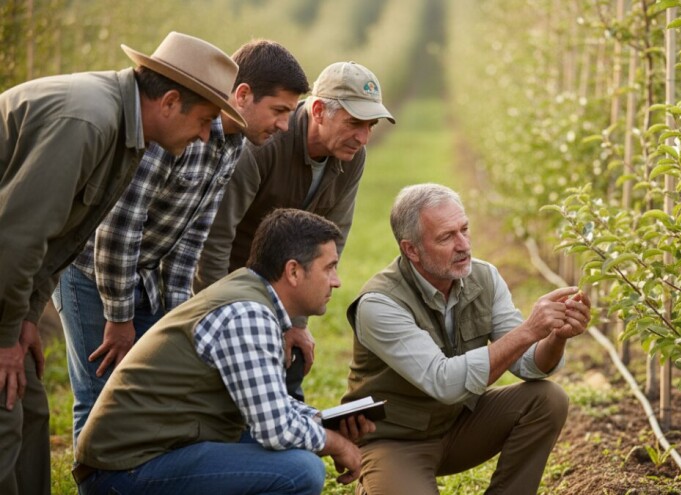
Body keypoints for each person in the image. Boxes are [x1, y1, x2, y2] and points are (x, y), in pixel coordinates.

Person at [0, 31, 243, 495]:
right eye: (205, 119)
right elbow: (18, 238)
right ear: (170, 101)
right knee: (4, 411)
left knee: (29, 404)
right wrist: (4, 334)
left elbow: (61, 239)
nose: (206, 134)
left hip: (13, 279)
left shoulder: (125, 133)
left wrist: (27, 318)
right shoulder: (88, 122)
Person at [53, 39, 310, 444]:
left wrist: (175, 315)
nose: (283, 126)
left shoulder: (234, 143)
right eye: (278, 111)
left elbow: (193, 235)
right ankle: (97, 480)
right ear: (242, 95)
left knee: (142, 392)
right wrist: (119, 317)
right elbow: (120, 227)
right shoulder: (169, 133)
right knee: (100, 391)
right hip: (93, 273)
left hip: (146, 276)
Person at [75, 209, 370, 495]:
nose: (337, 280)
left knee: (293, 454)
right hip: (124, 473)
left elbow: (270, 406)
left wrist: (323, 420)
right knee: (301, 470)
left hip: (151, 455)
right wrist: (336, 443)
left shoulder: (249, 297)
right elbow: (276, 429)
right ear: (293, 271)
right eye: (329, 267)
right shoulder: (248, 314)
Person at [343, 183, 592, 495]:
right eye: (447, 237)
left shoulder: (484, 278)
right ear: (411, 250)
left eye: (464, 230)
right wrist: (529, 330)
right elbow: (444, 382)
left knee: (548, 399)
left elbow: (529, 365)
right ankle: (379, 480)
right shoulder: (380, 304)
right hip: (397, 440)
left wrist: (556, 336)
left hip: (458, 426)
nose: (463, 245)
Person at [195, 61, 395, 401]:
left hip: (279, 287)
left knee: (291, 364)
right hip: (227, 282)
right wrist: (222, 319)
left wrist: (296, 323)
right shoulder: (265, 142)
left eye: (371, 126)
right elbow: (214, 239)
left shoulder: (350, 157)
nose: (363, 137)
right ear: (318, 110)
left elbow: (332, 239)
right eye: (355, 123)